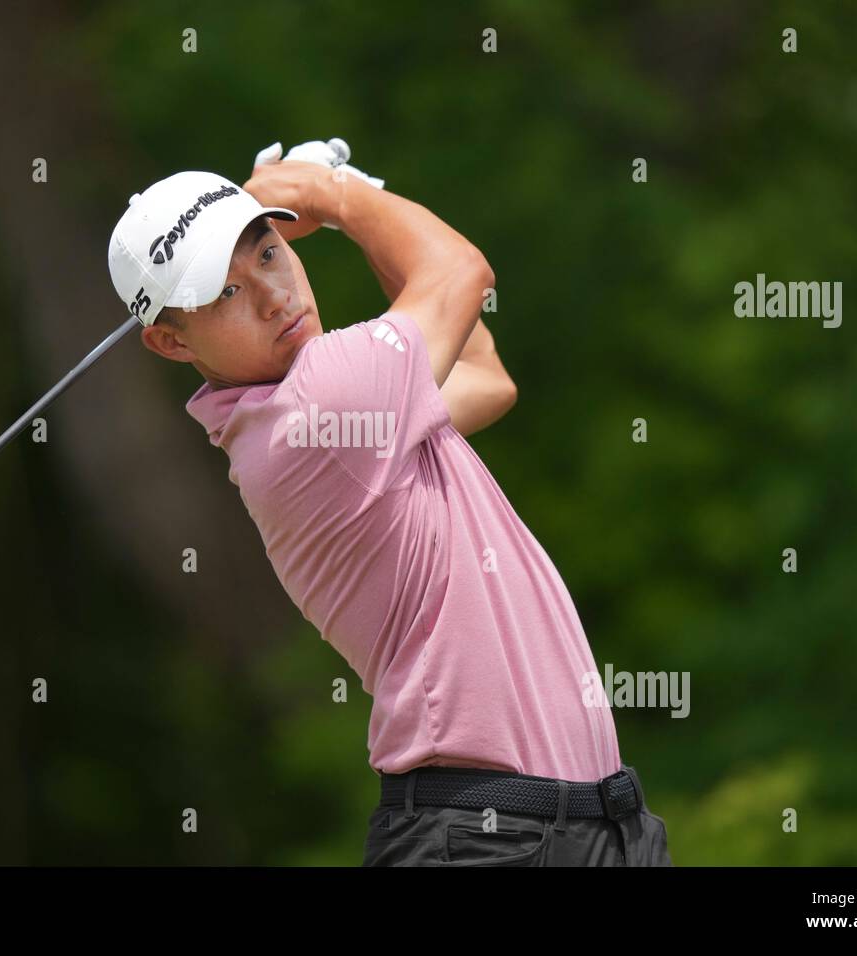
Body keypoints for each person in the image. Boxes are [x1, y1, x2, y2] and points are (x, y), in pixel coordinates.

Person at [107, 162, 672, 866]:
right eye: (225, 292)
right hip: (484, 841)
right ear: (171, 341)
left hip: (590, 827)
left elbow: (486, 376)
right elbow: (460, 270)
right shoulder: (320, 404)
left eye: (269, 252)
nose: (272, 294)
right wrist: (333, 194)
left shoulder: (346, 412)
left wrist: (350, 202)